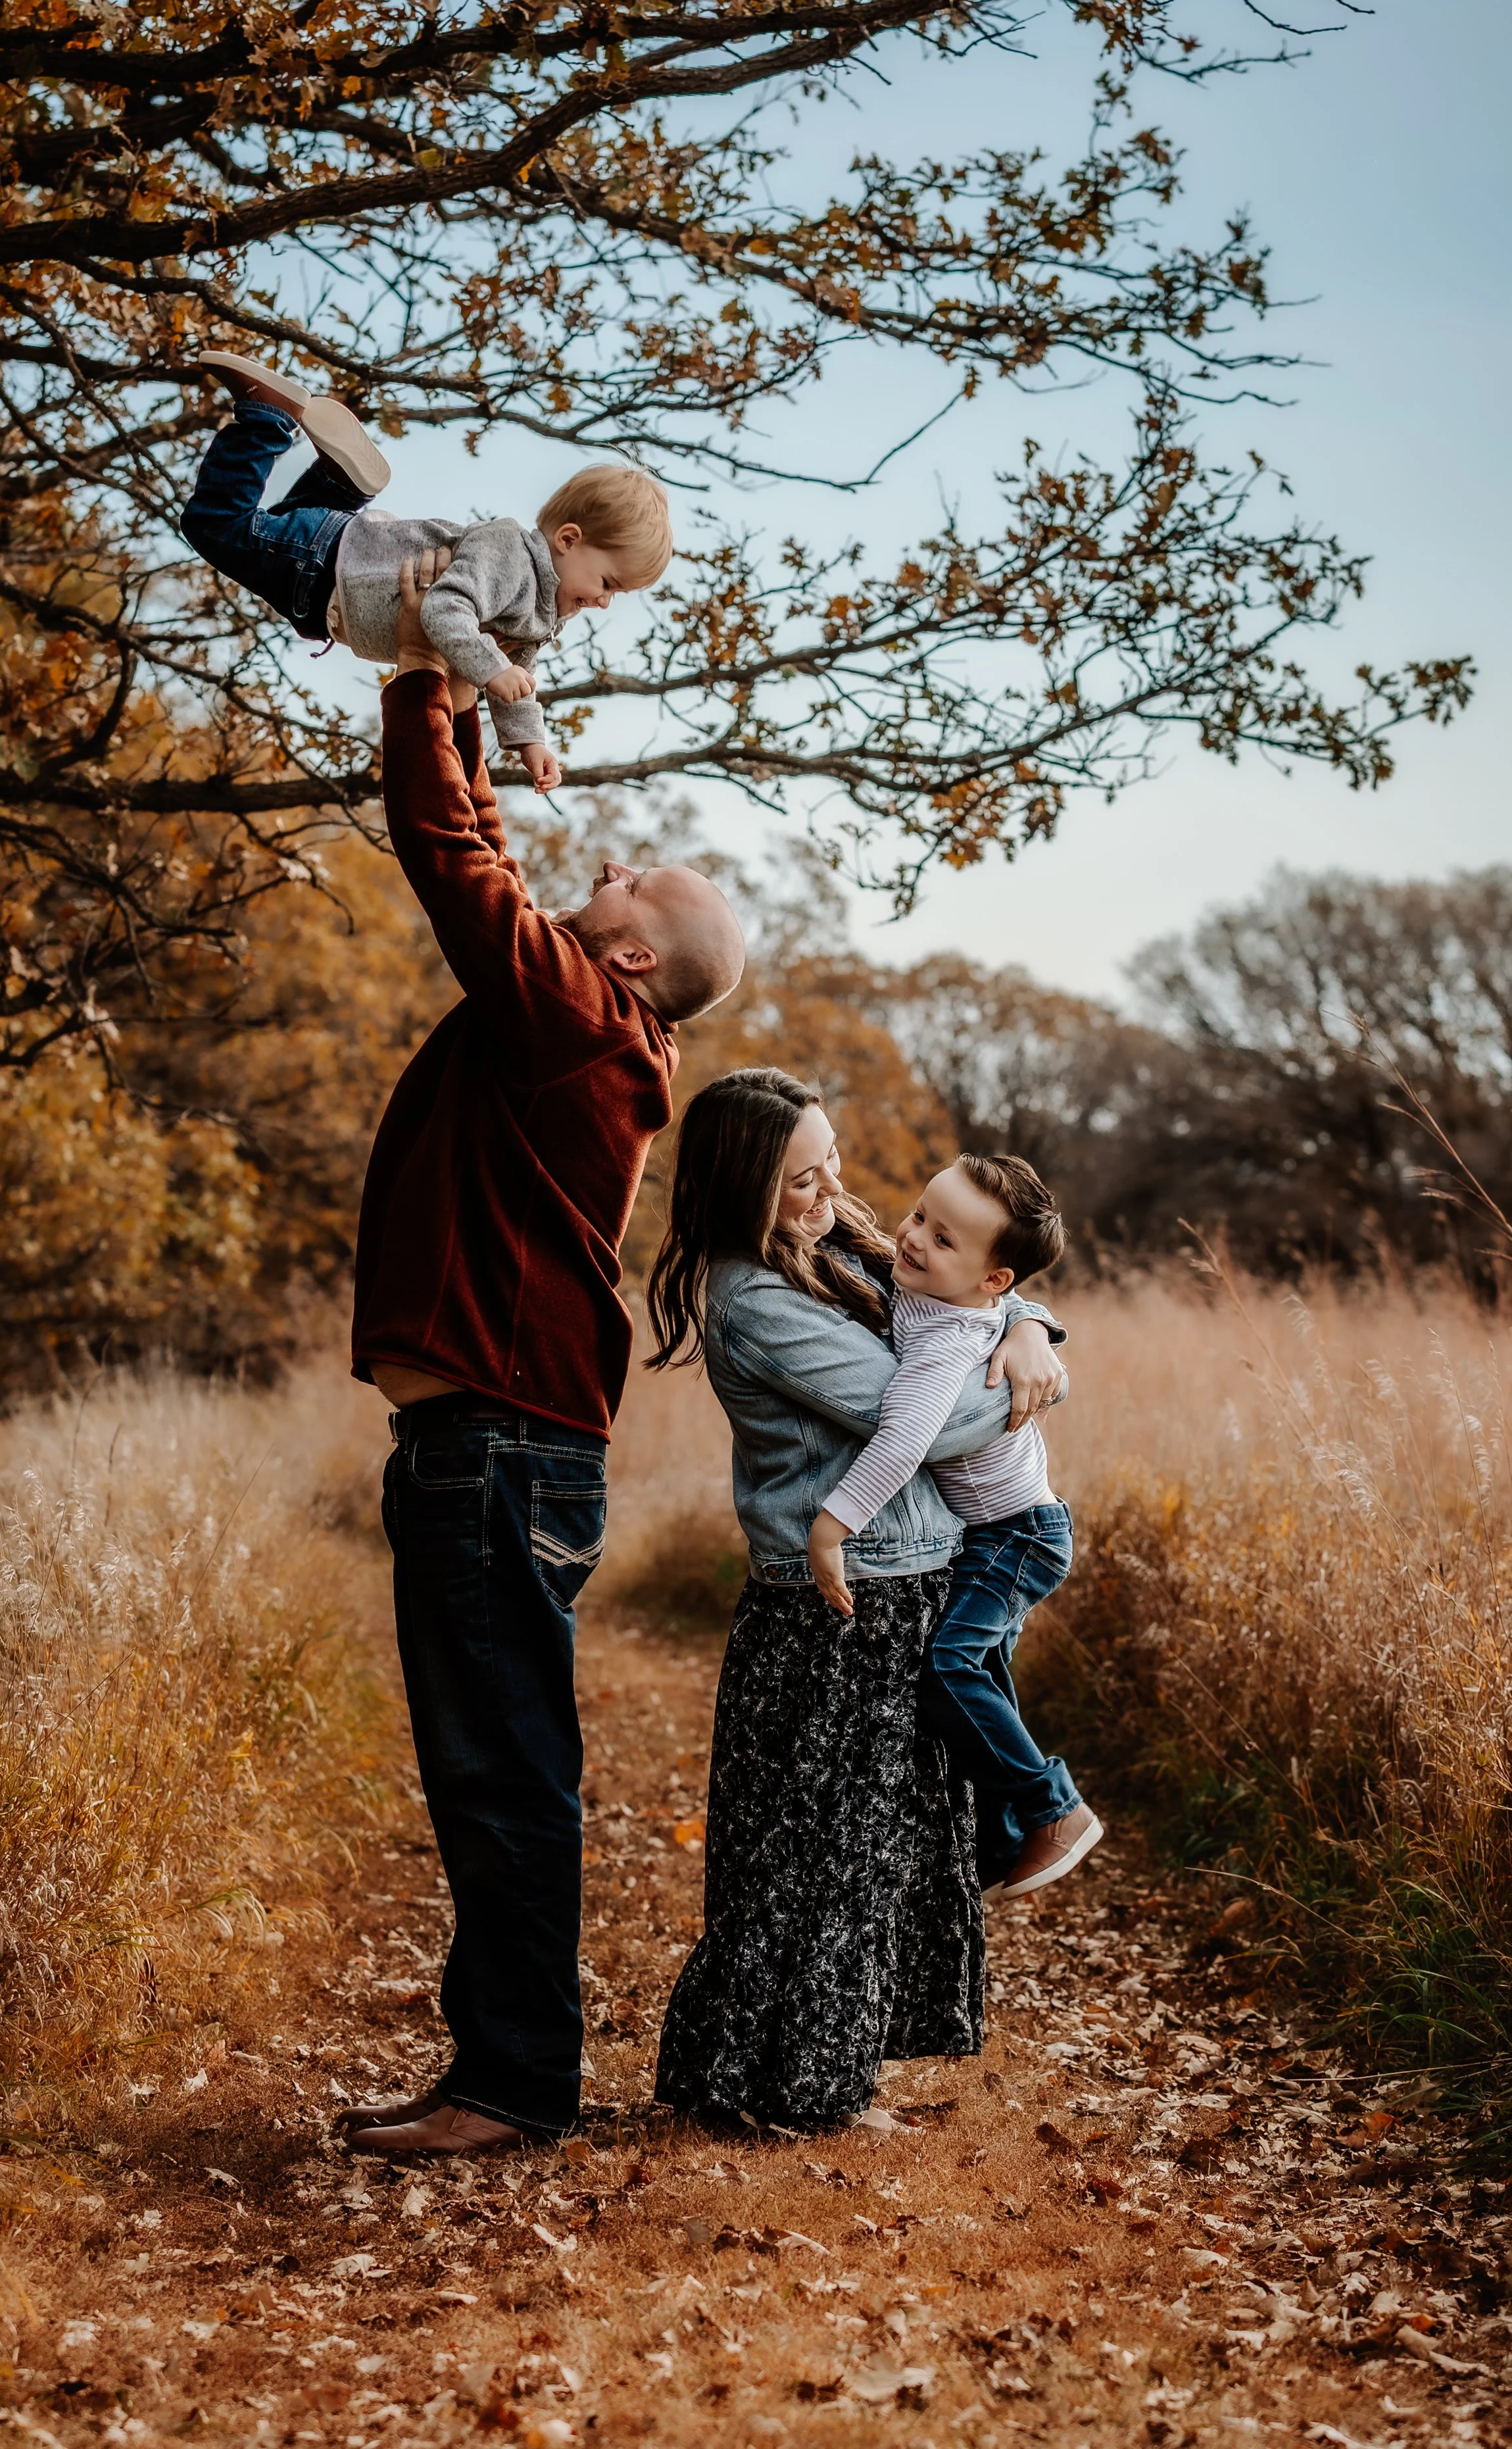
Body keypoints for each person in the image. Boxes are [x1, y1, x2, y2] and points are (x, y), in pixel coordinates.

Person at [341, 559, 745, 2160]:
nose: (619, 862)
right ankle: (504, 2069)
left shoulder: (579, 1018)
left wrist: (424, 682)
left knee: (499, 1768)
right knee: (497, 1762)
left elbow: (459, 858)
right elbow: (489, 861)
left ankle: (511, 2084)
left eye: (640, 877)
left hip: (496, 1455)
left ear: (635, 958)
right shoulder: (581, 1024)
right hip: (496, 1452)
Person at [645, 1068, 1068, 2129]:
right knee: (817, 1850)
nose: (830, 1191)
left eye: (832, 1163)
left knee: (872, 1847)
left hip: (901, 1582)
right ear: (743, 1187)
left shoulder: (831, 1249)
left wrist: (1029, 1329)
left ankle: (815, 2073)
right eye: (801, 1180)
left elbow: (979, 1295)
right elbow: (922, 1419)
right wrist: (1035, 1369)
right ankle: (785, 2083)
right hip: (836, 1604)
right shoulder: (753, 1299)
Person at [808, 1152, 1102, 1901]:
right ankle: (1001, 1845)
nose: (911, 1240)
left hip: (1017, 1535)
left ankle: (1053, 1809)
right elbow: (995, 1302)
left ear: (992, 1278)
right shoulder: (938, 1294)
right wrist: (1027, 1318)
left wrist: (831, 1528)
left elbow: (904, 1442)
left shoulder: (945, 1346)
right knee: (983, 1681)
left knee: (949, 1670)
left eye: (942, 1241)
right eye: (918, 1217)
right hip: (1002, 1531)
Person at [179, 352, 673, 793]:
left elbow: (517, 680)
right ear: (568, 540)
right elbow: (444, 608)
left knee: (281, 532)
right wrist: (493, 670)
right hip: (332, 570)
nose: (606, 602)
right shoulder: (510, 557)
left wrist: (529, 742)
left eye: (618, 595)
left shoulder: (538, 610)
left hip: (336, 571)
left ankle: (340, 485)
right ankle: (268, 418)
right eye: (608, 583)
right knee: (217, 526)